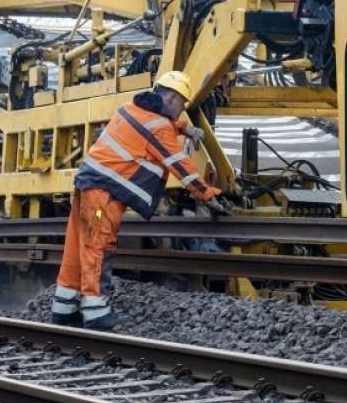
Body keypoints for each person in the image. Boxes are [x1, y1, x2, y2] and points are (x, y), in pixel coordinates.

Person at [50, 71, 229, 330]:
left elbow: (152, 124)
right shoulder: (159, 129)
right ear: (172, 98)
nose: (182, 111)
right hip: (105, 192)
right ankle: (96, 314)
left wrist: (183, 128)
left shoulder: (130, 108)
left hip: (88, 186)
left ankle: (63, 311)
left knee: (77, 248)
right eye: (182, 104)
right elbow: (181, 166)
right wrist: (209, 195)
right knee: (98, 248)